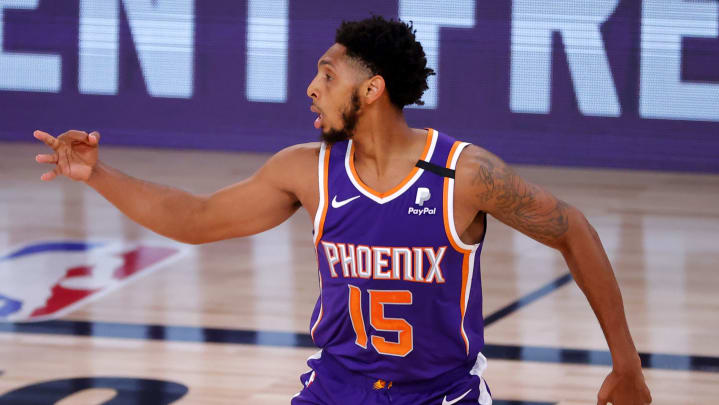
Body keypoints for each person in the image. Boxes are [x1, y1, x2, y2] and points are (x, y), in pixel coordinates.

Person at [33, 16, 651, 405]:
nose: (311, 88)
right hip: (336, 388)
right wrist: (96, 174)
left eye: (326, 75)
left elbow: (575, 232)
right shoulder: (307, 169)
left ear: (372, 87)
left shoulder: (462, 174)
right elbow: (195, 220)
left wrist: (625, 365)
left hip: (439, 395)